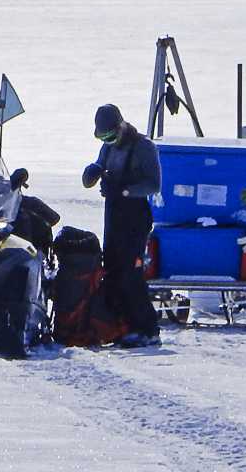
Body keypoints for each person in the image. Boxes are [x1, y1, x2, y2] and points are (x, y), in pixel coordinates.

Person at [82, 104, 162, 348]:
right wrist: (93, 172)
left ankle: (147, 329)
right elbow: (96, 172)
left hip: (135, 216)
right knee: (113, 270)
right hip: (114, 214)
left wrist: (126, 190)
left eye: (109, 136)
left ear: (120, 126)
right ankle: (122, 325)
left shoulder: (144, 147)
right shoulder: (107, 148)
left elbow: (154, 185)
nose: (107, 141)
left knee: (131, 273)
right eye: (101, 138)